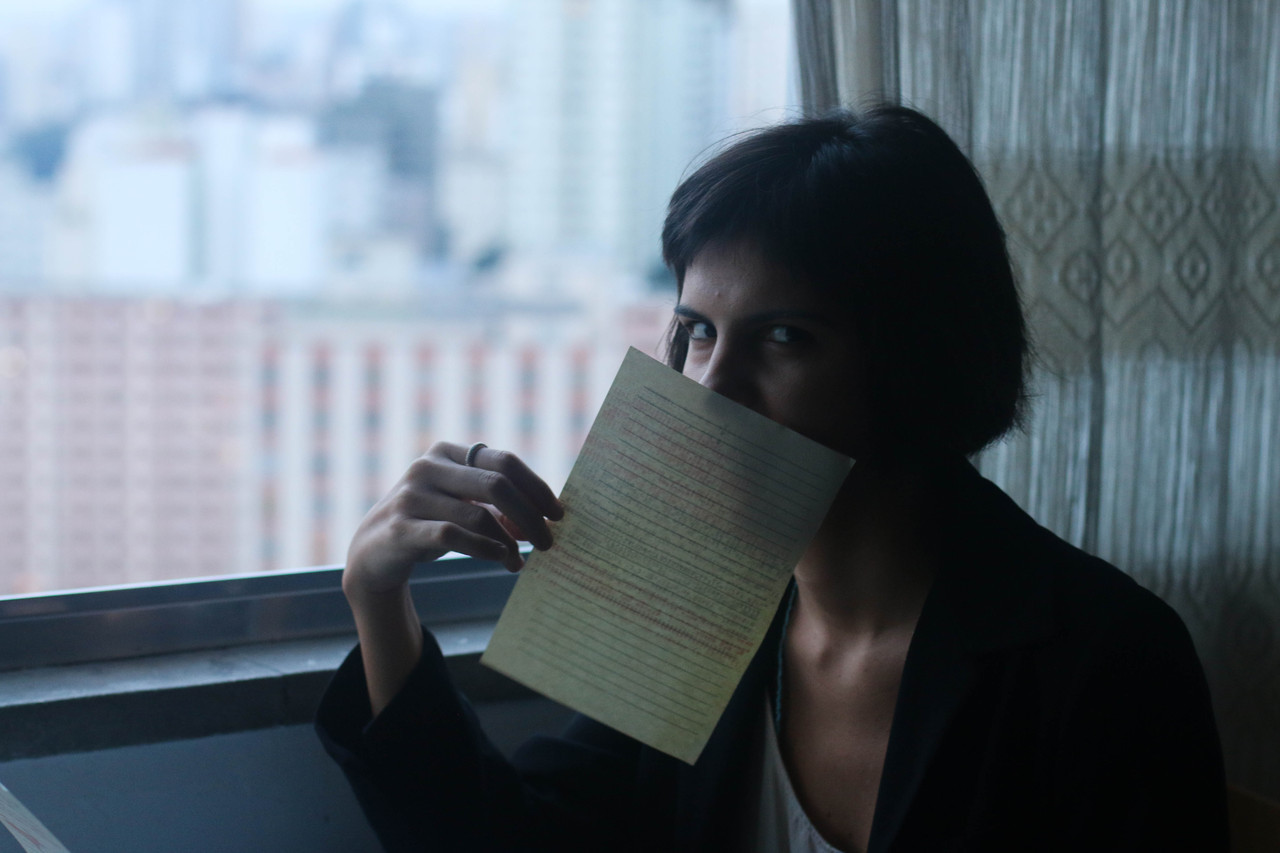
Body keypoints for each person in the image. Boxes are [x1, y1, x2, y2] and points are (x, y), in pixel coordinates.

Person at [316, 105, 1228, 852]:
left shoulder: (1102, 660)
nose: (712, 389)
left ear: (917, 359)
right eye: (697, 333)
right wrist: (377, 597)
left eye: (785, 337)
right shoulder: (701, 606)